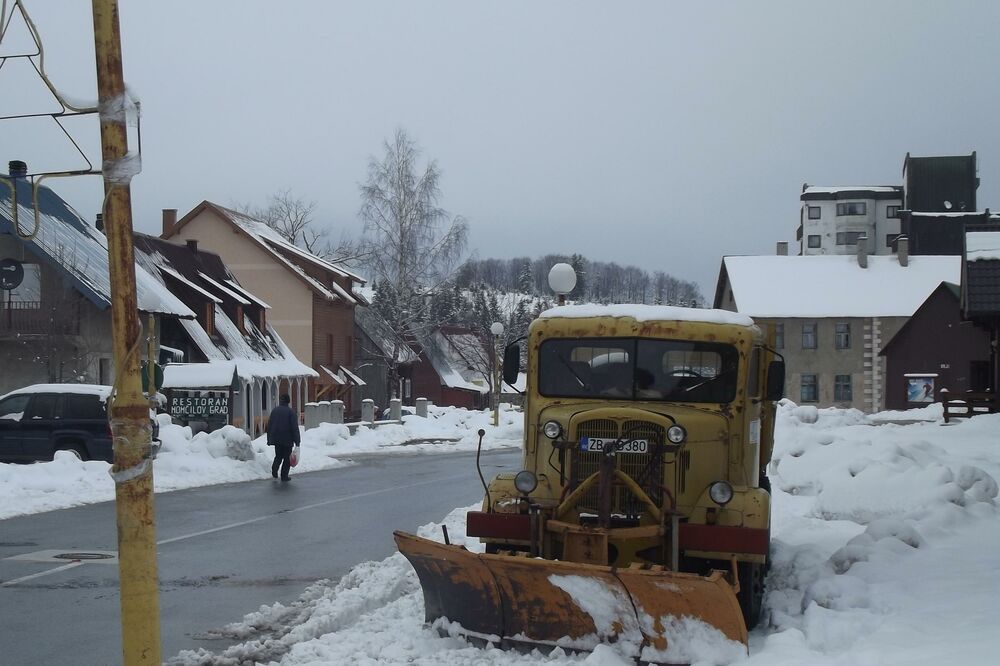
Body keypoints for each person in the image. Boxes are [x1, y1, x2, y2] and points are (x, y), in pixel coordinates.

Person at [267, 394, 300, 481]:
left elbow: (269, 425)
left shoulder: (274, 411)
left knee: (278, 456)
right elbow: (294, 428)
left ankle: (274, 468)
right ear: (288, 401)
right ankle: (284, 476)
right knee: (287, 458)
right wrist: (297, 441)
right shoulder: (291, 412)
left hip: (276, 438)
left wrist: (269, 438)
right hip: (287, 439)